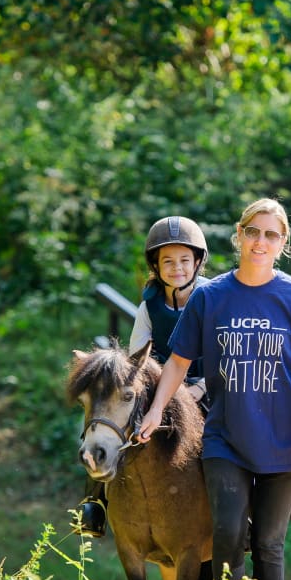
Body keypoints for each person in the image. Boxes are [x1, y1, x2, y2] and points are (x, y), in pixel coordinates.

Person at [137, 198, 291, 580]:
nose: (261, 242)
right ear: (239, 236)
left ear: (283, 244)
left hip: (284, 440)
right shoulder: (209, 296)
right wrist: (154, 409)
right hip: (225, 438)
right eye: (254, 232)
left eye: (272, 235)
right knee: (226, 535)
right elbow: (178, 362)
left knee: (269, 544)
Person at [76, 216, 210, 537]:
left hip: (208, 389)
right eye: (168, 261)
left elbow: (224, 351)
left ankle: (243, 518)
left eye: (183, 260)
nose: (176, 268)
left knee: (234, 438)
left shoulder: (212, 298)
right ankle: (95, 506)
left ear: (197, 262)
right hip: (162, 393)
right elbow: (136, 360)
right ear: (155, 265)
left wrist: (200, 388)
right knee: (106, 431)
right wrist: (167, 393)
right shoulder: (149, 306)